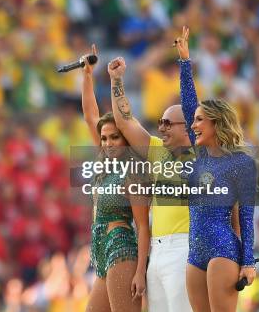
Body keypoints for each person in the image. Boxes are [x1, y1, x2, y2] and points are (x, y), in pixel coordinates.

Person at [105, 27, 195, 312]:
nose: (162, 128)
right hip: (156, 251)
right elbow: (124, 121)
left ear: (189, 128)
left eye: (169, 124)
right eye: (161, 123)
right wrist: (116, 81)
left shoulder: (201, 154)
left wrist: (184, 62)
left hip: (185, 248)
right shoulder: (156, 150)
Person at [175, 28, 257, 312]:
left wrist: (248, 261)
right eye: (194, 120)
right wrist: (185, 61)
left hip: (223, 249)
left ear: (216, 125)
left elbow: (246, 218)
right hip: (194, 253)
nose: (193, 125)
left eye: (200, 121)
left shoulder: (242, 163)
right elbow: (187, 105)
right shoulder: (199, 155)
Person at [81, 44, 150, 312]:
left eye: (115, 137)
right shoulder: (103, 160)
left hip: (120, 246)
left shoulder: (133, 171)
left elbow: (142, 225)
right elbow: (90, 117)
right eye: (105, 138)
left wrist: (140, 271)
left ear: (126, 140)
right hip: (100, 250)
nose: (108, 143)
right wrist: (87, 75)